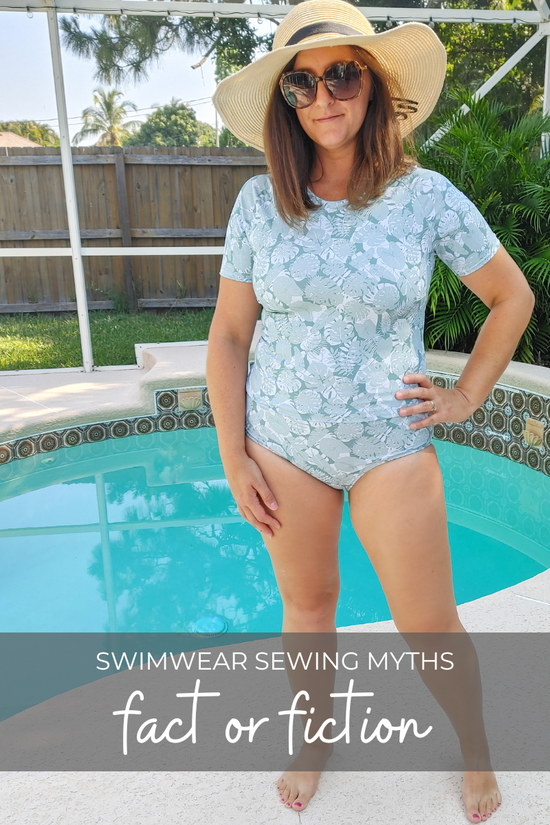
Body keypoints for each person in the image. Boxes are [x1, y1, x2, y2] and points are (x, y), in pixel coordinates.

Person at [207, 0, 535, 821]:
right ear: (286, 101)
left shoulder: (424, 197)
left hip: (393, 443)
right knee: (308, 607)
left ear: (373, 85)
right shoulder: (257, 204)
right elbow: (228, 337)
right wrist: (233, 456)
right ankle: (313, 735)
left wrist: (467, 394)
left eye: (343, 74)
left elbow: (510, 296)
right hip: (284, 443)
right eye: (303, 83)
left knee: (426, 620)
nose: (324, 95)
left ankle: (474, 746)